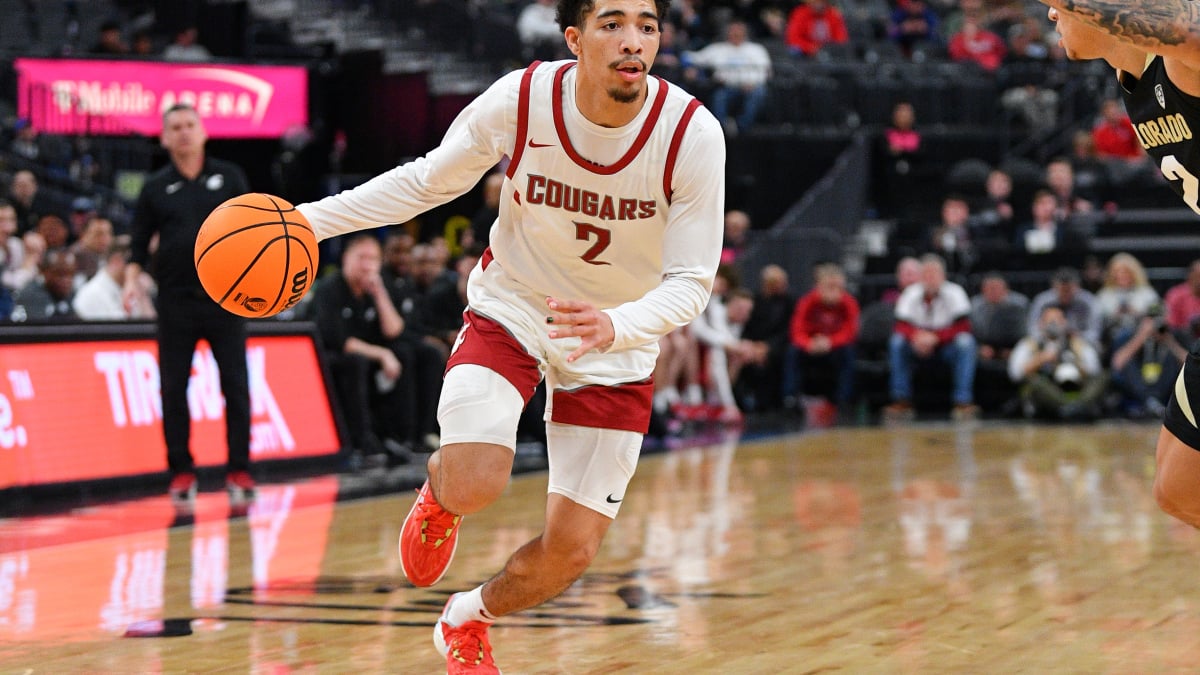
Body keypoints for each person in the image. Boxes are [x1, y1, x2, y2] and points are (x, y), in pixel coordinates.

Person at [293, 1, 725, 672]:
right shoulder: (523, 100)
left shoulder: (691, 133)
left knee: (571, 554)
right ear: (575, 39)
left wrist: (618, 322)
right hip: (518, 305)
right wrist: (311, 221)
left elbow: (693, 280)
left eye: (646, 24)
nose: (633, 40)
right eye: (612, 24)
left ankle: (466, 619)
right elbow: (428, 181)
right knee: (475, 480)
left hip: (617, 339)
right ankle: (440, 496)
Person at [1042, 0, 1200, 527]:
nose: (1051, 15)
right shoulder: (1131, 79)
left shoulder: (1180, 62)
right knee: (1178, 486)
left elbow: (1188, 27)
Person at [122, 103, 254, 503]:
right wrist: (131, 279)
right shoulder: (155, 187)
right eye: (174, 127)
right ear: (163, 138)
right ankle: (181, 471)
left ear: (203, 132)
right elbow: (137, 245)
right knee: (172, 389)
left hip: (226, 300)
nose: (182, 133)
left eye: (189, 125)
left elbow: (253, 233)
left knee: (236, 385)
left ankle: (239, 469)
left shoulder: (229, 176)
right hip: (175, 303)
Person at [884, 253, 979, 421]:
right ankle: (901, 400)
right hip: (916, 346)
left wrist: (936, 338)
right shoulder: (911, 293)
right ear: (920, 277)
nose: (930, 278)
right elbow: (900, 325)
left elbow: (963, 326)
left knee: (966, 342)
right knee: (897, 342)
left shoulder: (955, 292)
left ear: (943, 275)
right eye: (926, 274)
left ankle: (962, 401)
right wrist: (916, 337)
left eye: (934, 274)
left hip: (946, 346)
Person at [782, 262, 859, 418]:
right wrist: (809, 343)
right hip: (811, 346)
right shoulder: (807, 301)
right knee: (793, 352)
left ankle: (844, 399)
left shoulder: (848, 302)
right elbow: (797, 330)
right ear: (819, 287)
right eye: (828, 287)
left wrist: (830, 342)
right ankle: (790, 398)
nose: (833, 292)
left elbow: (850, 332)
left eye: (836, 287)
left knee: (848, 353)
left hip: (834, 347)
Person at [1007, 304, 1107, 420]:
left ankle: (1074, 407)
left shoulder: (1077, 344)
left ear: (1065, 322)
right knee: (1034, 382)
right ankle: (1073, 408)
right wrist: (1040, 359)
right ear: (1041, 323)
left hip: (1074, 389)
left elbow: (1094, 371)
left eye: (1057, 320)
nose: (1053, 324)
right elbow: (1014, 374)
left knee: (1103, 376)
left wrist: (1075, 363)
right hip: (1047, 392)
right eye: (1049, 320)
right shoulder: (1029, 344)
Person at [685, 19, 771, 135]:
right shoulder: (718, 49)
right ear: (727, 33)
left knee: (759, 93)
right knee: (719, 97)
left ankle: (741, 128)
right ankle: (723, 130)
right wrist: (688, 65)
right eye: (733, 31)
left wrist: (752, 83)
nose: (735, 34)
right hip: (726, 87)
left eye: (738, 31)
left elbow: (766, 71)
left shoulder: (756, 49)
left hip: (751, 87)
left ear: (745, 32)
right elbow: (692, 57)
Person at [784, 0, 849, 59]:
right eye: (815, 2)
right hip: (806, 50)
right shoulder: (800, 13)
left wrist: (828, 48)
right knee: (794, 50)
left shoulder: (833, 15)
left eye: (821, 2)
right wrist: (810, 47)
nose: (818, 4)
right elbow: (793, 38)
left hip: (829, 49)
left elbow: (841, 38)